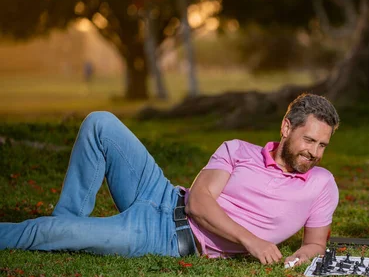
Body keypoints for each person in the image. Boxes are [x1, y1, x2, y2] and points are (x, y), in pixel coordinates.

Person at [0, 93, 340, 267]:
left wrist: (297, 260)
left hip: (164, 237)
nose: (315, 153)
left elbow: (314, 245)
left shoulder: (320, 184)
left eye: (322, 145)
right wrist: (252, 241)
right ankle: (68, 220)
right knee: (100, 122)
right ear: (286, 128)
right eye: (309, 141)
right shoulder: (237, 150)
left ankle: (61, 229)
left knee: (45, 232)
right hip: (162, 194)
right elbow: (199, 202)